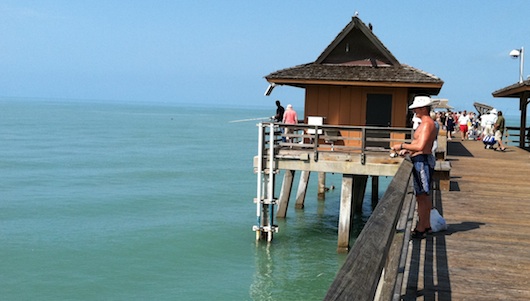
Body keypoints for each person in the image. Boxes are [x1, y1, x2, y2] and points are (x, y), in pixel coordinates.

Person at [391, 96, 437, 239]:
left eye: (416, 108)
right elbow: (419, 146)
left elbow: (421, 146)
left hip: (422, 162)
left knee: (422, 195)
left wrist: (402, 145)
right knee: (421, 196)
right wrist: (409, 151)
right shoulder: (428, 123)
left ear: (423, 109)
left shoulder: (426, 124)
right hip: (421, 160)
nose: (414, 111)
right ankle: (425, 225)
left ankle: (421, 227)